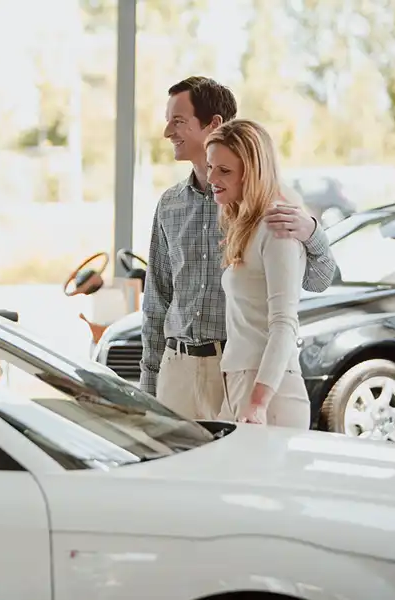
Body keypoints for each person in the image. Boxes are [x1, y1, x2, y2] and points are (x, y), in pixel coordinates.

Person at [139, 76, 337, 420]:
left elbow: (317, 281)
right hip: (178, 369)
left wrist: (312, 232)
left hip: (236, 368)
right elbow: (157, 299)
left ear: (214, 124)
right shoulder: (169, 204)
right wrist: (149, 379)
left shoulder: (267, 205)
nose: (167, 131)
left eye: (178, 121)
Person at [206, 119, 309, 427]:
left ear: (252, 174)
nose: (212, 177)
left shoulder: (277, 227)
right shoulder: (245, 223)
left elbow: (284, 324)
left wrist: (258, 402)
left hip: (270, 397)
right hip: (240, 384)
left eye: (224, 171)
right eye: (211, 167)